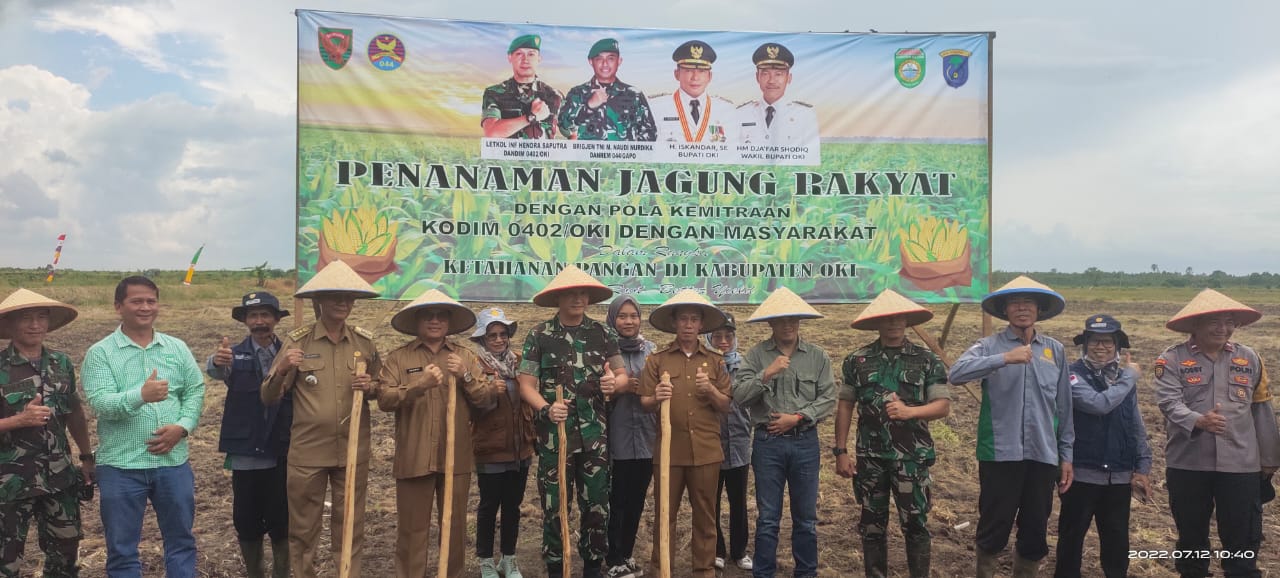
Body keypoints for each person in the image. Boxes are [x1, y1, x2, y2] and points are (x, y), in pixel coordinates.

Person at [260, 260, 381, 578]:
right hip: (308, 453)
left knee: (350, 526)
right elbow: (268, 395)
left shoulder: (364, 343)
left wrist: (371, 386)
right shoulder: (297, 342)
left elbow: (381, 389)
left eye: (348, 297)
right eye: (335, 296)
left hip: (354, 451)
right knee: (303, 529)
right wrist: (284, 367)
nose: (343, 302)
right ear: (319, 301)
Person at [948, 275, 1074, 578]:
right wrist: (1004, 358)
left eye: (1028, 303)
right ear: (1005, 311)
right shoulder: (989, 346)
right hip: (999, 453)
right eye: (1015, 303)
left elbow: (1064, 407)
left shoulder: (1054, 351)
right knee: (994, 525)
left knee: (1035, 529)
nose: (1021, 309)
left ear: (1039, 310)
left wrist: (1066, 455)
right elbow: (956, 373)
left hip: (1043, 454)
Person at [82, 276, 206, 578]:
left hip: (172, 463)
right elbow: (101, 404)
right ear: (118, 306)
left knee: (181, 542)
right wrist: (141, 395)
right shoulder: (100, 353)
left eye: (151, 301)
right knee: (122, 549)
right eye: (137, 301)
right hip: (121, 466)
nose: (145, 307)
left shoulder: (176, 348)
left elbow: (195, 390)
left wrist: (182, 427)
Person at [1155, 289, 1280, 578]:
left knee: (1243, 539)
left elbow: (1262, 409)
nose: (1223, 328)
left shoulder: (1249, 358)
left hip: (1241, 464)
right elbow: (1168, 402)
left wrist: (1270, 458)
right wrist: (1197, 420)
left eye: (1229, 322)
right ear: (1195, 325)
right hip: (1188, 463)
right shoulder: (1171, 359)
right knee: (1191, 538)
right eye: (1214, 321)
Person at [517, 265, 627, 578]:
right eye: (571, 293)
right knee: (555, 508)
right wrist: (547, 408)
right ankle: (557, 567)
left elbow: (621, 376)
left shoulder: (603, 334)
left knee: (596, 505)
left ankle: (592, 567)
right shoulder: (540, 335)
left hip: (595, 439)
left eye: (583, 293)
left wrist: (612, 384)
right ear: (559, 297)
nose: (578, 299)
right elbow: (526, 384)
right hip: (555, 438)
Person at [835, 290, 951, 578]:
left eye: (899, 317)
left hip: (912, 458)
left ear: (907, 320)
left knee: (915, 525)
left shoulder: (926, 360)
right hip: (870, 458)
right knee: (872, 526)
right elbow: (846, 406)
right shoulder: (857, 361)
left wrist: (910, 412)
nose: (894, 323)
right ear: (877, 323)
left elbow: (942, 406)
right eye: (887, 319)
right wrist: (841, 451)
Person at [377, 290, 492, 578]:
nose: (435, 320)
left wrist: (465, 375)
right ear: (417, 321)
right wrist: (419, 385)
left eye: (441, 315)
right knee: (412, 530)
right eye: (428, 315)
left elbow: (486, 400)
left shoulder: (464, 356)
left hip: (456, 457)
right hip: (414, 456)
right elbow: (384, 399)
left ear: (449, 322)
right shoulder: (399, 358)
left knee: (453, 529)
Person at [733, 286, 836, 578]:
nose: (788, 325)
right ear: (771, 323)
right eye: (781, 320)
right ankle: (763, 573)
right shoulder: (756, 356)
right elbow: (739, 396)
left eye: (793, 319)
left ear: (800, 322)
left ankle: (806, 572)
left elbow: (828, 397)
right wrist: (767, 374)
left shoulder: (817, 356)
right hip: (768, 444)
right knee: (767, 518)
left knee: (805, 519)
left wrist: (798, 417)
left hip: (805, 442)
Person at [639, 290, 732, 578]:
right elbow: (644, 403)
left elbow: (726, 405)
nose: (689, 325)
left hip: (706, 452)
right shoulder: (657, 360)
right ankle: (661, 569)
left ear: (702, 325)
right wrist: (657, 396)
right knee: (664, 515)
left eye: (694, 320)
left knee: (705, 516)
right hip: (668, 452)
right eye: (683, 319)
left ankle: (703, 570)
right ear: (675, 323)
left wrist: (711, 391)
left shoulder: (716, 362)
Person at [0, 289, 93, 577]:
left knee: (65, 555)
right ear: (11, 325)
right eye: (26, 318)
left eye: (41, 317)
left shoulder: (61, 363)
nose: (35, 325)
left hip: (60, 477)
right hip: (10, 482)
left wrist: (87, 456)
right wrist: (19, 420)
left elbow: (74, 413)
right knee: (6, 561)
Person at [1053, 314, 1151, 578]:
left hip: (1118, 474)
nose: (1101, 347)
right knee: (1071, 538)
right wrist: (1129, 377)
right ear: (1085, 345)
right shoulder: (1072, 375)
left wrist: (1142, 465)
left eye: (1108, 342)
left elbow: (1135, 423)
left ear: (1117, 346)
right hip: (1080, 471)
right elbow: (1098, 404)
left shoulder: (1122, 377)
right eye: (1094, 341)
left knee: (1117, 539)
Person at [206, 292, 293, 578]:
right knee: (247, 519)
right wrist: (217, 362)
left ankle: (282, 572)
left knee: (283, 519)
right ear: (245, 320)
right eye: (253, 316)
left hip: (284, 449)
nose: (259, 322)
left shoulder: (292, 353)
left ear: (277, 319)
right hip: (247, 452)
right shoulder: (233, 354)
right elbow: (216, 369)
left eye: (266, 315)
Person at [470, 307, 533, 578]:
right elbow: (469, 407)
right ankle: (485, 559)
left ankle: (509, 558)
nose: (498, 339)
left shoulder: (519, 362)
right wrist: (487, 393)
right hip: (490, 448)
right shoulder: (474, 365)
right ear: (482, 339)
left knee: (512, 505)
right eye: (491, 335)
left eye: (502, 334)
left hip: (520, 448)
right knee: (488, 505)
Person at [603, 296, 656, 578]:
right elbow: (597, 392)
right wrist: (621, 389)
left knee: (636, 498)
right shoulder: (604, 349)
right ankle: (612, 557)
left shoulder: (651, 350)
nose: (628, 321)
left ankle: (626, 552)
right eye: (622, 316)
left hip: (647, 437)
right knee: (617, 499)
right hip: (616, 437)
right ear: (613, 319)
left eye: (633, 315)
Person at [707, 312, 752, 572]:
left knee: (738, 501)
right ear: (709, 338)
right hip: (712, 446)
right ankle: (717, 549)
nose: (723, 341)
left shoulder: (745, 366)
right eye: (717, 336)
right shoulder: (704, 366)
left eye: (728, 336)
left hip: (739, 444)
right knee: (711, 501)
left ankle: (740, 550)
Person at [558, 38, 657, 141]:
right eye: (599, 59)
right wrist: (588, 107)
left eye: (610, 58)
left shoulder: (635, 95)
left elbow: (650, 133)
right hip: (587, 157)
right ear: (591, 62)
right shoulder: (577, 93)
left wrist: (631, 154)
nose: (605, 64)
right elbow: (563, 127)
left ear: (619, 61)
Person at [651, 40, 737, 143]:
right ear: (677, 74)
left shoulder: (726, 111)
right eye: (688, 70)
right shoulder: (656, 108)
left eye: (702, 71)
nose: (695, 77)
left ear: (710, 76)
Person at [482, 34, 563, 139]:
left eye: (531, 54)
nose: (525, 60)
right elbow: (491, 132)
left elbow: (572, 132)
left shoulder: (555, 96)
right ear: (510, 58)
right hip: (507, 155)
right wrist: (531, 117)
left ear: (539, 58)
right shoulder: (494, 93)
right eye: (519, 54)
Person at [737, 43, 819, 147]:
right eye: (765, 74)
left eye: (778, 74)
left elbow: (811, 158)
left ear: (789, 78)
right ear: (757, 77)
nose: (771, 81)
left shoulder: (805, 115)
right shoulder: (741, 113)